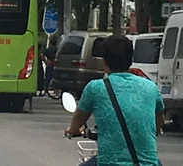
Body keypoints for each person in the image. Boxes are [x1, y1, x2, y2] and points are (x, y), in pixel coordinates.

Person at [65, 35, 164, 166]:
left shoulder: (95, 88)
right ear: (130, 60)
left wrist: (72, 130)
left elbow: (78, 119)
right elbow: (158, 123)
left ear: (104, 62)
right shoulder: (151, 87)